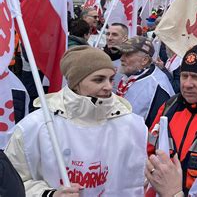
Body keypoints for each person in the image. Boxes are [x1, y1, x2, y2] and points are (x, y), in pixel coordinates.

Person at [5, 46, 148, 196]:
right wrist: (50, 194)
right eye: (98, 79)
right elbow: (12, 181)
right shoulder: (36, 126)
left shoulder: (131, 125)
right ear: (75, 83)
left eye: (111, 79)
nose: (108, 87)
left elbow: (140, 180)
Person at [146, 43, 197, 195]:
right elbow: (149, 151)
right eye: (184, 76)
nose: (187, 84)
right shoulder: (169, 106)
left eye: (196, 77)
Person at [115, 36, 175, 127]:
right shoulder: (133, 74)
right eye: (122, 54)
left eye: (128, 54)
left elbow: (158, 127)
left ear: (144, 60)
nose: (122, 58)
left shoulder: (157, 85)